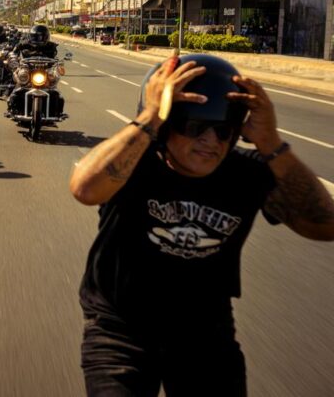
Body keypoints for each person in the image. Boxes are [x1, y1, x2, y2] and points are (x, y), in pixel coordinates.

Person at [69, 54, 334, 396]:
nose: (211, 141)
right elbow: (84, 188)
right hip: (121, 330)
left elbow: (325, 225)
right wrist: (150, 116)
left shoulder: (247, 172)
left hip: (206, 336)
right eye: (195, 127)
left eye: (224, 130)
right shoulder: (133, 161)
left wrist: (272, 142)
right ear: (165, 126)